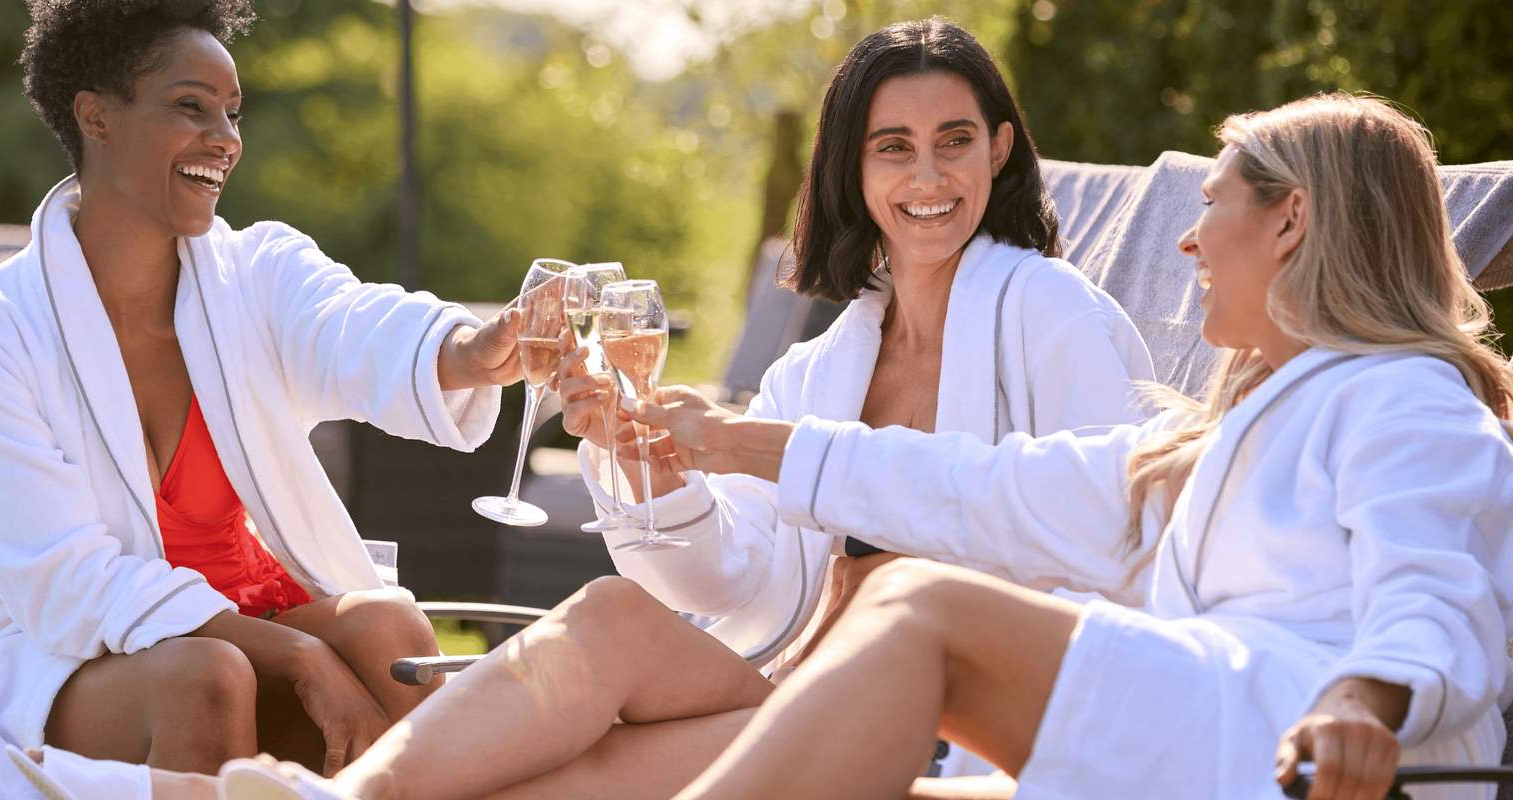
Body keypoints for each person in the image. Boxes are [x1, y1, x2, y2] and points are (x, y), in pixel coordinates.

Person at [123, 16, 1154, 800]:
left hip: (943, 728)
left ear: (1000, 151)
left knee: (571, 775)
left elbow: (1112, 526)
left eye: (953, 141)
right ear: (853, 166)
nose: (927, 175)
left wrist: (749, 445)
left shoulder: (1055, 317)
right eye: (894, 146)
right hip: (796, 682)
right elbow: (731, 582)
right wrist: (652, 468)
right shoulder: (825, 366)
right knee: (613, 619)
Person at [625, 93, 1513, 800]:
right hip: (1218, 736)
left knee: (918, 602)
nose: (1189, 241)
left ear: (1291, 219)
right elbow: (985, 485)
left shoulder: (1405, 396)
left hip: (1307, 749)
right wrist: (736, 441)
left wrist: (1362, 700)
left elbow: (1437, 595)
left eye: (1213, 203)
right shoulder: (1225, 439)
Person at [0, 2, 524, 798]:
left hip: (254, 614)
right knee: (208, 676)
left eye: (233, 113)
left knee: (388, 629)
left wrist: (474, 349)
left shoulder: (255, 274)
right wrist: (298, 654)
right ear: (96, 117)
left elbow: (354, 324)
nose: (225, 139)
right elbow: (69, 587)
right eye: (191, 107)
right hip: (76, 659)